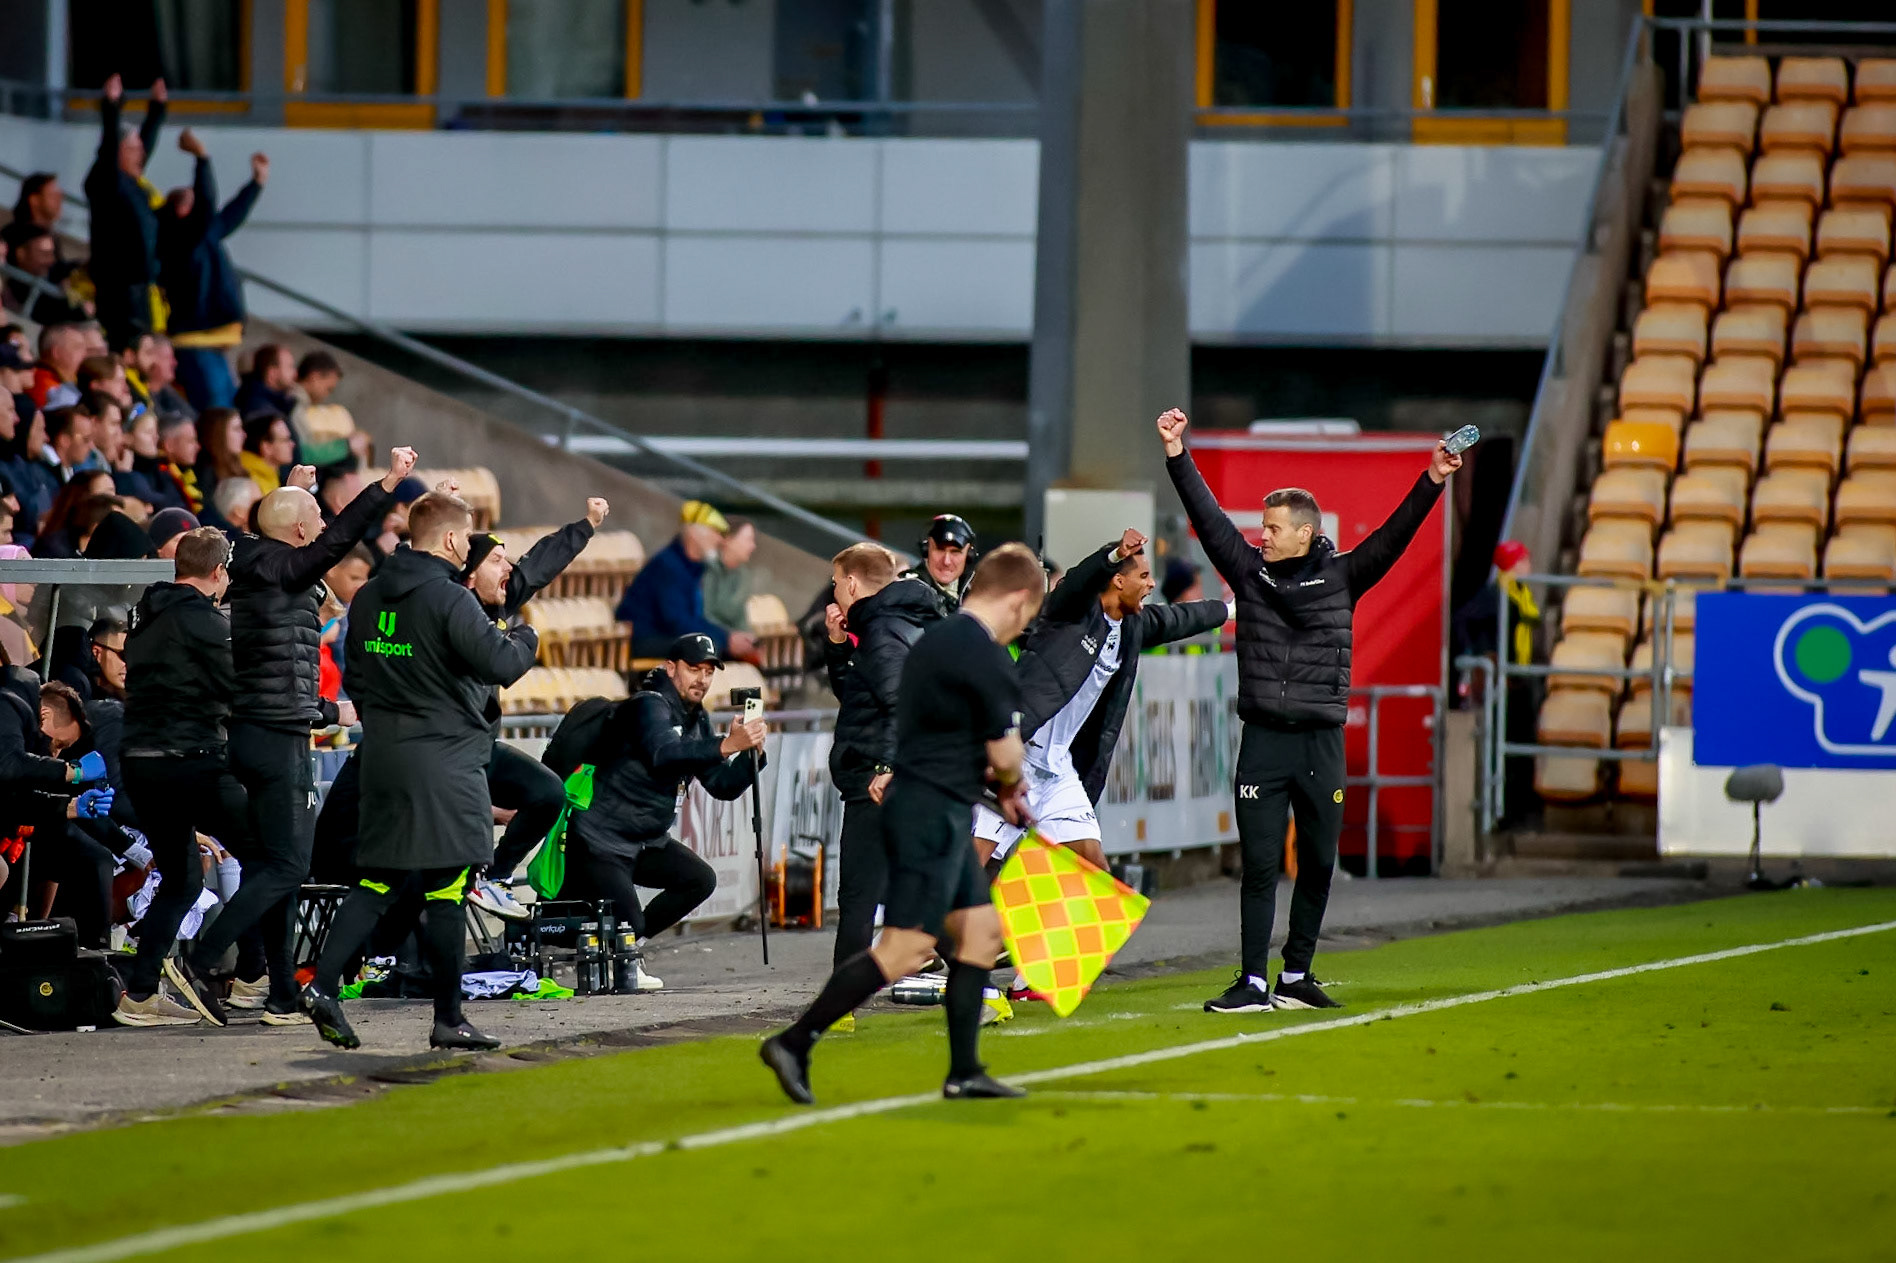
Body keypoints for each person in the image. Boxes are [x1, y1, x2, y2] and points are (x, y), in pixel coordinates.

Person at [1157, 407, 1460, 1014]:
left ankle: (1296, 973)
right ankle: (1251, 981)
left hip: (1321, 743)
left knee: (1319, 861)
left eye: (1271, 528)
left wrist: (1432, 477)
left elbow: (1395, 538)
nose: (1260, 535)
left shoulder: (1345, 575)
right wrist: (1176, 452)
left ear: (1305, 532)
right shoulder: (1248, 572)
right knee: (1261, 866)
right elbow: (1208, 519)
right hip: (1264, 741)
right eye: (1262, 527)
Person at [761, 543, 1046, 1106]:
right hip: (930, 813)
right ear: (1017, 600)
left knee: (980, 935)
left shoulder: (934, 641)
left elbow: (930, 727)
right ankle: (795, 1041)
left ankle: (964, 1070)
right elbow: (1007, 752)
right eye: (1028, 618)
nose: (1022, 630)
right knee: (905, 949)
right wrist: (1011, 787)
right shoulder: (980, 654)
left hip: (929, 801)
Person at [303, 490, 539, 1052]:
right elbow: (503, 664)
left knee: (378, 878)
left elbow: (355, 680)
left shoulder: (366, 597)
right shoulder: (449, 600)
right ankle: (448, 1018)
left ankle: (322, 984)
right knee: (451, 885)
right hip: (445, 761)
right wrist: (523, 629)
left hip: (381, 757)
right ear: (455, 540)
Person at [180, 447, 412, 1020]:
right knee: (288, 867)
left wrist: (289, 491)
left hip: (252, 732)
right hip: (279, 734)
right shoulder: (284, 566)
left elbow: (282, 528)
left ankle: (281, 993)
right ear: (304, 530)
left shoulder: (252, 564)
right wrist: (386, 485)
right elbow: (330, 543)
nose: (324, 535)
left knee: (272, 866)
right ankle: (202, 958)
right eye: (316, 522)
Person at [972, 527, 1230, 881]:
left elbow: (1179, 619)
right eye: (1143, 576)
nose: (1151, 584)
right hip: (1019, 757)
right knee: (972, 865)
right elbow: (1078, 581)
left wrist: (1231, 610)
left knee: (1095, 874)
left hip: (1059, 770)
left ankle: (1030, 937)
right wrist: (1111, 555)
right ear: (1118, 582)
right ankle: (911, 930)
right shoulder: (1071, 613)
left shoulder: (1131, 627)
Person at [570, 633, 759, 990]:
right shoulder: (648, 705)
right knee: (626, 922)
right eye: (693, 669)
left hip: (645, 840)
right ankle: (624, 951)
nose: (701, 679)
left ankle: (628, 950)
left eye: (708, 671)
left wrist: (751, 755)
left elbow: (721, 785)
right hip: (601, 840)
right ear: (671, 668)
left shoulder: (696, 717)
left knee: (699, 880)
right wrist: (725, 744)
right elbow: (663, 754)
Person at [116, 525, 248, 1027]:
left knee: (181, 880)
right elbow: (238, 690)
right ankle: (245, 974)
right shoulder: (205, 624)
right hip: (189, 760)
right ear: (218, 572)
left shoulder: (145, 617)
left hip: (141, 762)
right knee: (271, 861)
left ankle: (140, 994)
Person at [459, 498, 609, 918]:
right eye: (496, 559)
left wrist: (586, 526)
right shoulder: (449, 609)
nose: (508, 568)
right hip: (448, 752)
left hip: (480, 748)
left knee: (547, 791)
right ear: (468, 572)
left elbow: (538, 566)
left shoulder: (499, 602)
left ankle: (495, 876)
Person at [820, 542, 941, 979]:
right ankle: (963, 963)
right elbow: (861, 696)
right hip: (896, 771)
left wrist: (887, 766)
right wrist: (837, 647)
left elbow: (900, 703)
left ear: (852, 583)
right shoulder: (895, 622)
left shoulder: (883, 631)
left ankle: (842, 998)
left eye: (836, 583)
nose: (833, 591)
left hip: (874, 778)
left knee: (858, 894)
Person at [158, 130, 265, 414]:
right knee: (217, 415)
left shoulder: (202, 237)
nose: (205, 213)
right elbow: (207, 206)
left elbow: (230, 215)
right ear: (181, 210)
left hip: (211, 341)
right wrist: (202, 159)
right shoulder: (180, 241)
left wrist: (256, 184)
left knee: (229, 414)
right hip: (195, 341)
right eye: (193, 204)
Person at [84, 75, 168, 349]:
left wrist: (157, 110)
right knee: (129, 349)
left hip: (140, 288)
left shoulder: (131, 183)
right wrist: (111, 106)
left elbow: (143, 143)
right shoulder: (107, 182)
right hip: (118, 290)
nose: (139, 155)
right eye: (132, 149)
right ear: (117, 153)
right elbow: (110, 145)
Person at [617, 501, 756, 661]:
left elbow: (691, 619)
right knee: (710, 649)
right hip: (645, 639)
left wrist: (728, 637)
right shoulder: (668, 566)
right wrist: (726, 639)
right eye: (715, 532)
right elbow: (675, 621)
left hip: (666, 635)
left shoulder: (693, 567)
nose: (719, 539)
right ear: (695, 534)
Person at [289, 351, 355, 466]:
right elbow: (303, 453)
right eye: (328, 389)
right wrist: (346, 446)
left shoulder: (298, 404)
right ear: (314, 377)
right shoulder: (293, 404)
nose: (327, 395)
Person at [903, 513, 977, 615]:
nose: (946, 561)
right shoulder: (906, 591)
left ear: (969, 555)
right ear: (926, 550)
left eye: (955, 552)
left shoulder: (977, 594)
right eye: (940, 550)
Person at [702, 516, 757, 637]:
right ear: (728, 539)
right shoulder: (706, 568)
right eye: (748, 540)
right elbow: (704, 614)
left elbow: (740, 618)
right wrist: (730, 637)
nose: (753, 546)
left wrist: (746, 638)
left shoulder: (741, 575)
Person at [234, 344, 296, 426]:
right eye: (290, 367)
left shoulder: (275, 404)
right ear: (272, 373)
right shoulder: (261, 412)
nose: (295, 373)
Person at [30, 325, 86, 409]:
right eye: (77, 347)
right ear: (57, 353)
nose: (84, 354)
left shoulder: (72, 380)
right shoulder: (45, 386)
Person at [239, 413, 295, 495]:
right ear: (267, 447)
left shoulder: (270, 474)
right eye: (285, 440)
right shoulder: (250, 481)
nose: (292, 444)